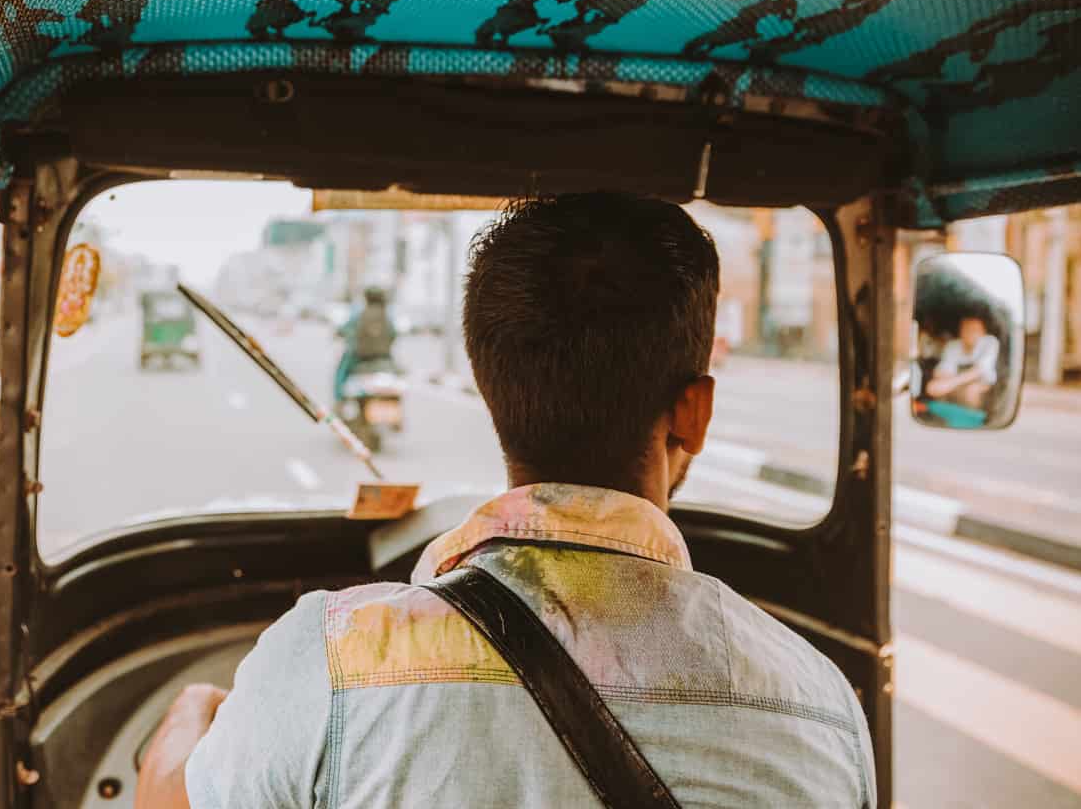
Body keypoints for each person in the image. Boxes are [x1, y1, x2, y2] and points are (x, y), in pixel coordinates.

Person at [138, 193, 874, 808]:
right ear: (693, 413)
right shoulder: (821, 707)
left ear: (493, 387)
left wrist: (192, 712)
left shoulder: (328, 660)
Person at [333, 286, 396, 402]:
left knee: (341, 371)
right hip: (384, 359)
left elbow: (344, 330)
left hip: (359, 358)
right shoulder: (387, 316)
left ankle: (339, 401)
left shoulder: (360, 314)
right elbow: (394, 335)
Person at [924, 315, 999, 410]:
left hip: (983, 384)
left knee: (971, 391)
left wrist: (948, 384)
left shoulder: (990, 342)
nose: (970, 333)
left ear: (983, 332)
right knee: (932, 387)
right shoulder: (952, 346)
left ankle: (974, 419)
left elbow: (978, 371)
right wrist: (943, 383)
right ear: (960, 331)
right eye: (966, 329)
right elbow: (941, 372)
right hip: (956, 382)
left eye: (975, 330)